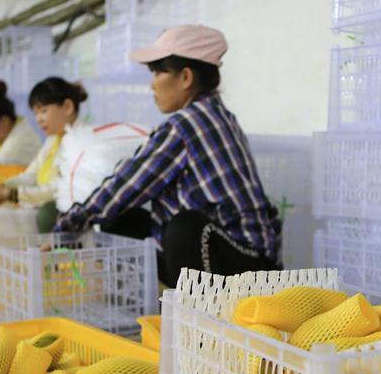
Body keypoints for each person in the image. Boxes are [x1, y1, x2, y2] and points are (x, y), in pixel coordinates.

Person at [54, 24, 282, 288]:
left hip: (249, 266)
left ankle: (198, 318)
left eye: (160, 72)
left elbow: (126, 185)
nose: (152, 85)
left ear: (186, 78)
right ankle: (155, 304)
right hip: (238, 257)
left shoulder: (186, 125)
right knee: (125, 220)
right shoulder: (217, 114)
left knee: (184, 227)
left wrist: (65, 226)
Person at [0, 77, 88, 233]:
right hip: (46, 201)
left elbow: (59, 188)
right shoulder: (53, 140)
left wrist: (11, 194)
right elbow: (32, 175)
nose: (39, 119)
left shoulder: (81, 141)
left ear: (67, 107)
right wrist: (2, 186)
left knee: (47, 214)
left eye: (43, 111)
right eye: (35, 113)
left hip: (74, 215)